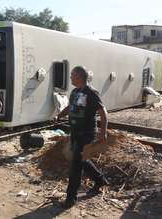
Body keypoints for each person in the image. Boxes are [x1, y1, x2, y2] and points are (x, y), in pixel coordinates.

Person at [56, 66, 108, 209]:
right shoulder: (74, 92)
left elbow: (103, 112)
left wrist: (103, 132)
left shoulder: (91, 92)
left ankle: (70, 198)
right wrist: (59, 115)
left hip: (86, 133)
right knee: (82, 159)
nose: (71, 77)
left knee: (75, 165)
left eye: (72, 75)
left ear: (79, 76)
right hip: (75, 132)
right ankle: (100, 180)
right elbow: (69, 107)